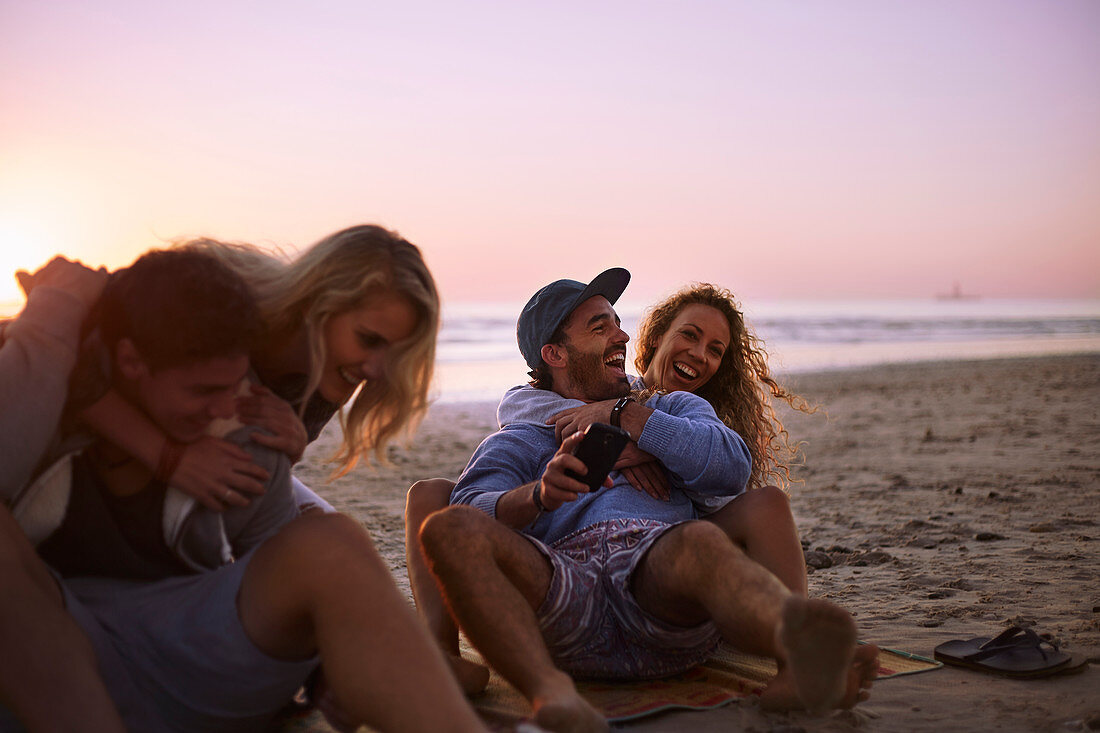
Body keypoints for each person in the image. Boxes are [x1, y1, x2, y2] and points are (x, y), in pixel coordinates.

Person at [0, 250, 483, 732]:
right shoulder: (51, 382)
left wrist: (322, 665)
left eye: (239, 382)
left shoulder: (260, 418)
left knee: (331, 539)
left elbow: (272, 563)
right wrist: (55, 311)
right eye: (368, 338)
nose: (230, 405)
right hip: (49, 650)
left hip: (183, 648)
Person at [417, 269, 877, 732]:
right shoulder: (520, 436)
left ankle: (801, 652)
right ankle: (550, 695)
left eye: (618, 323)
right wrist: (536, 495)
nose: (622, 336)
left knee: (699, 539)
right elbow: (470, 506)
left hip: (659, 587)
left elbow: (733, 466)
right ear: (555, 354)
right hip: (562, 590)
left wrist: (630, 417)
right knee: (445, 528)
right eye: (600, 327)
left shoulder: (673, 408)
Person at [79, 224, 439, 514]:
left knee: (330, 535)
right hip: (78, 457)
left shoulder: (331, 366)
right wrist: (167, 458)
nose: (378, 370)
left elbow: (256, 465)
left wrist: (292, 449)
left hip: (177, 479)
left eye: (395, 353)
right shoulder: (214, 291)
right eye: (368, 339)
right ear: (319, 300)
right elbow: (69, 357)